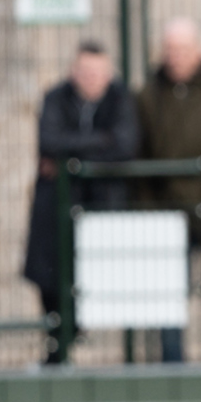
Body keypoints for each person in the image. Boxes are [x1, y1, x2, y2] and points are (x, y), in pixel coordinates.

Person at [23, 40, 140, 364]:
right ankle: (57, 351)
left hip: (104, 208)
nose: (90, 78)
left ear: (109, 73)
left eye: (97, 72)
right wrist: (103, 142)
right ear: (73, 72)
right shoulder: (55, 97)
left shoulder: (121, 100)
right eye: (85, 71)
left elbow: (126, 146)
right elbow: (49, 141)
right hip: (56, 210)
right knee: (51, 278)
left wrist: (71, 158)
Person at [136, 18, 201, 362]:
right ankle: (172, 364)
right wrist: (150, 212)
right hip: (168, 214)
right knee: (168, 296)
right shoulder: (149, 97)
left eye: (182, 49)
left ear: (199, 50)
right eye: (169, 49)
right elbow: (141, 156)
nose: (175, 56)